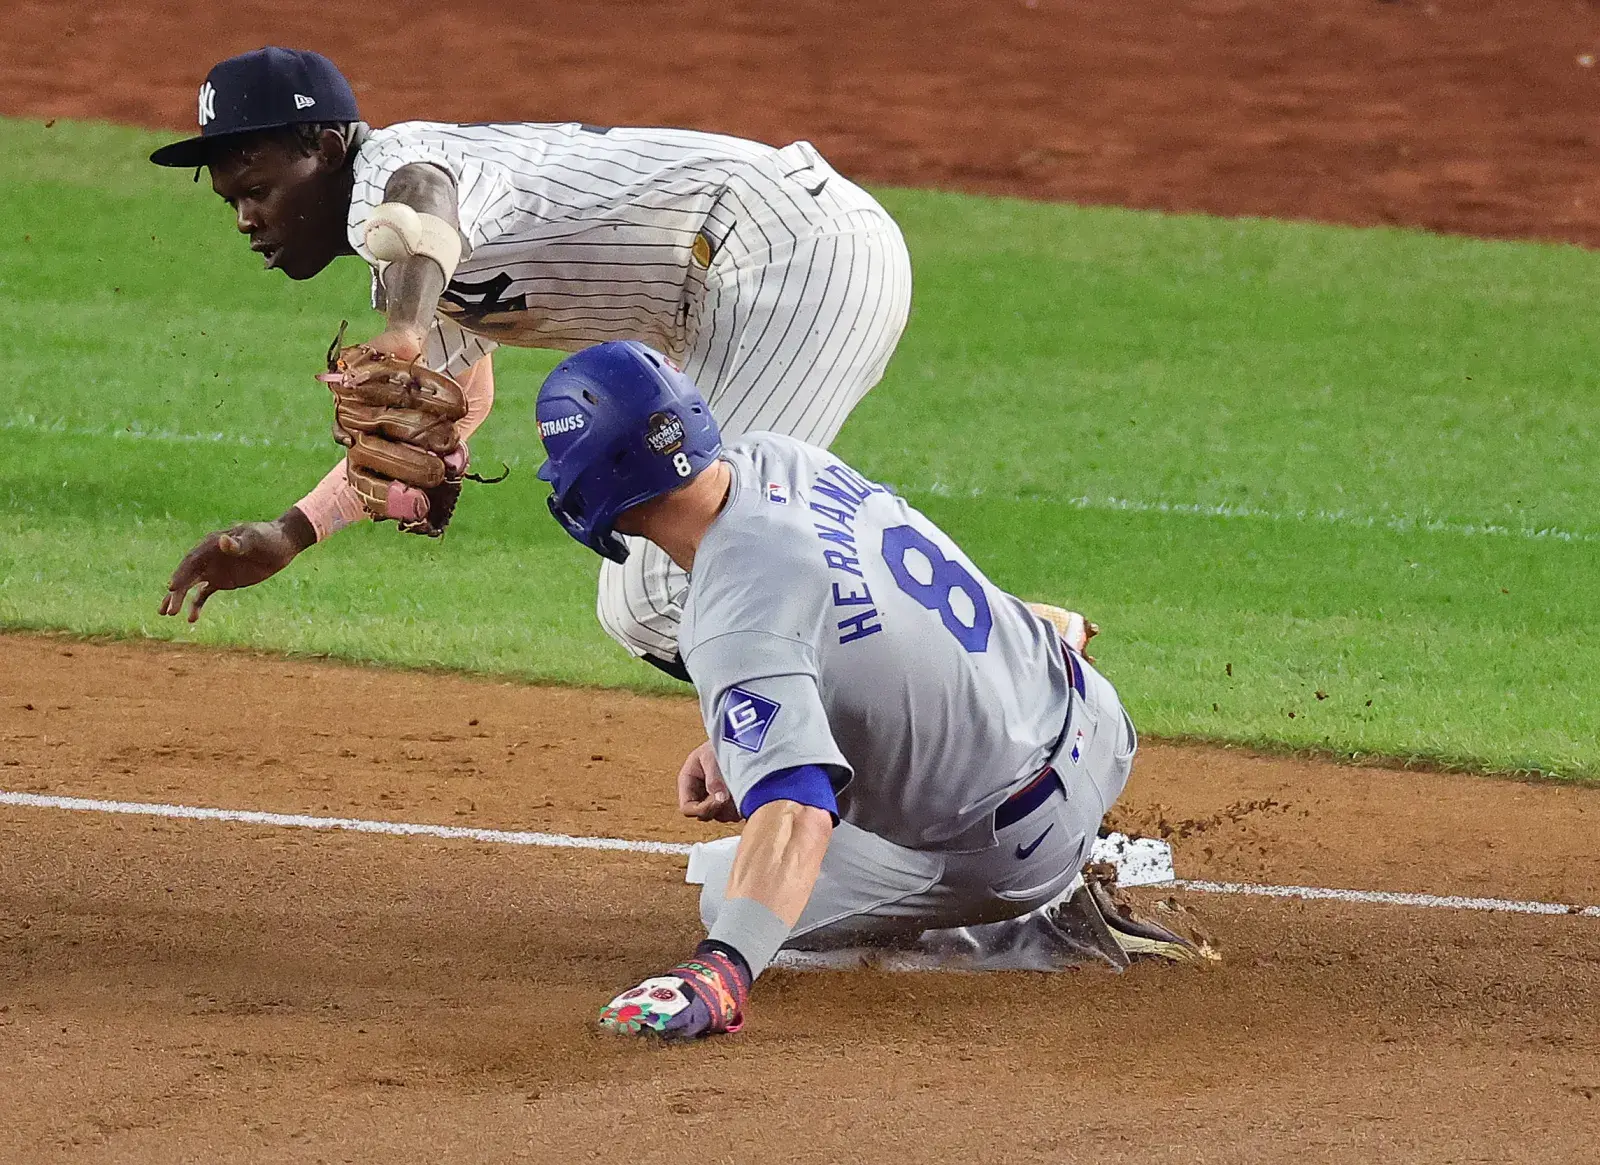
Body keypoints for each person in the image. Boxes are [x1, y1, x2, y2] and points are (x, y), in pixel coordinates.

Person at [149, 46, 913, 677]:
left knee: (662, 585)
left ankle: (888, 753)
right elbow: (429, 415)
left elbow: (422, 203)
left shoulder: (403, 165)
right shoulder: (419, 274)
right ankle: (953, 661)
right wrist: (292, 531)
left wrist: (405, 329)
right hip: (759, 281)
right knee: (706, 569)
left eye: (258, 189)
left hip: (790, 253)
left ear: (326, 147)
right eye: (231, 202)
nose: (247, 219)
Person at [531, 341, 1205, 1041]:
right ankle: (1071, 785)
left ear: (596, 484)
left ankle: (1035, 925)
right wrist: (746, 737)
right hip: (1088, 711)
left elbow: (798, 813)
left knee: (734, 897)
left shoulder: (732, 622)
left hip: (1020, 841)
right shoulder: (781, 459)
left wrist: (721, 969)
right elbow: (870, 623)